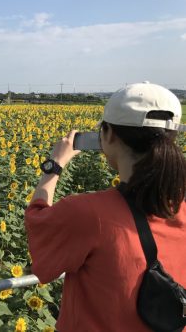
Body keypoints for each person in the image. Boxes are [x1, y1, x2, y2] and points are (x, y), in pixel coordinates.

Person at [24, 81, 186, 332]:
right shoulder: (181, 206)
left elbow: (38, 229)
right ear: (173, 136)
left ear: (107, 135)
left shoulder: (89, 214)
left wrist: (54, 166)